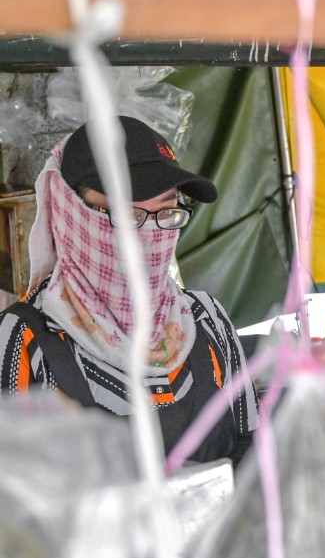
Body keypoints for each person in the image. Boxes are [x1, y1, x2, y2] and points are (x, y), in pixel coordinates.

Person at [0, 116, 259, 464]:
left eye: (167, 210)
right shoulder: (23, 340)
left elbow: (251, 449)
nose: (150, 235)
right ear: (69, 211)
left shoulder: (206, 318)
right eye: (125, 211)